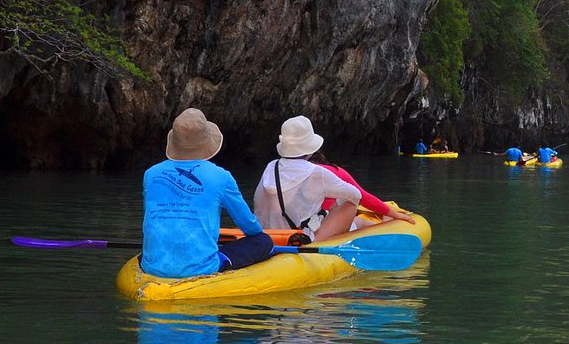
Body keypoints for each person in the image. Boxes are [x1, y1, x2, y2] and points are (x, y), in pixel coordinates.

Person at [141, 108, 274, 278]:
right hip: (201, 269)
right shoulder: (221, 177)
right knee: (263, 241)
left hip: (153, 267)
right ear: (206, 143)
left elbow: (152, 222)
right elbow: (250, 227)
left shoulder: (150, 174)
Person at [255, 116, 416, 241]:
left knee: (353, 220)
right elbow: (357, 196)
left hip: (270, 234)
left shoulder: (271, 167)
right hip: (299, 238)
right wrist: (396, 215)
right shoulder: (320, 173)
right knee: (350, 203)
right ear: (311, 149)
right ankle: (380, 225)